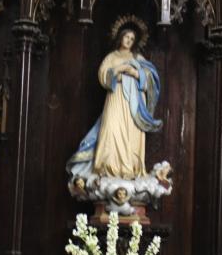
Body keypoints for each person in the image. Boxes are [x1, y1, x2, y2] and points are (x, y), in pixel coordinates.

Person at [67, 16, 162, 183]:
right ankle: (107, 169)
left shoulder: (138, 58)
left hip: (133, 103)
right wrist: (119, 70)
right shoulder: (112, 57)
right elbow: (103, 75)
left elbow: (151, 78)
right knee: (110, 128)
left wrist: (135, 73)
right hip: (116, 97)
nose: (129, 40)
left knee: (131, 133)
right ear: (120, 37)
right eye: (127, 37)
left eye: (132, 39)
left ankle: (129, 170)